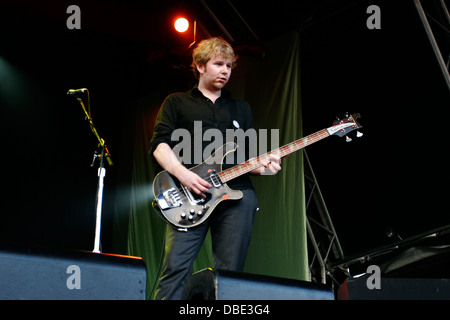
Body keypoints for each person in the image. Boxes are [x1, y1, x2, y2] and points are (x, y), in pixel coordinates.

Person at [150, 37, 281, 300]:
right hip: (189, 196)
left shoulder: (240, 108)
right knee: (175, 268)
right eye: (218, 64)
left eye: (229, 66)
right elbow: (159, 145)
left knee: (230, 275)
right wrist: (182, 174)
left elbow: (248, 160)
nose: (225, 71)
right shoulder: (176, 102)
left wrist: (267, 166)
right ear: (200, 66)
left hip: (237, 195)